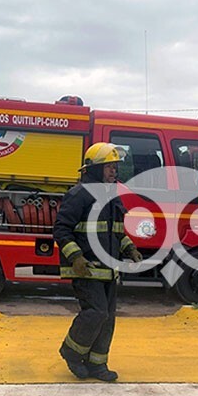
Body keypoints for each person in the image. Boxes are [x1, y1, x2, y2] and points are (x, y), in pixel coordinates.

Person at [54, 142, 143, 381]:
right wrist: (76, 257)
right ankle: (71, 353)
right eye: (109, 167)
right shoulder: (79, 194)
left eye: (115, 167)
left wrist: (130, 248)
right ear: (94, 169)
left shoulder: (112, 196)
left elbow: (116, 231)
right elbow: (61, 229)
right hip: (88, 269)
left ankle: (97, 365)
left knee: (107, 317)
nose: (114, 171)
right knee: (95, 312)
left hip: (109, 270)